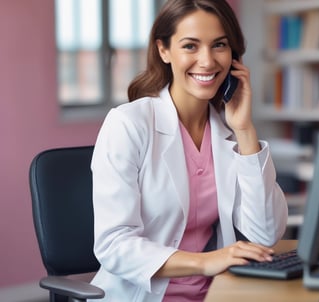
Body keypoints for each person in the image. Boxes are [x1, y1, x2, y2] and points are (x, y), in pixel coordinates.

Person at [90, 0, 288, 301]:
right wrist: (207, 262)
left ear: (233, 55)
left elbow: (266, 234)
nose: (207, 61)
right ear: (164, 50)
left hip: (218, 293)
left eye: (219, 45)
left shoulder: (228, 132)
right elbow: (114, 245)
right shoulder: (129, 124)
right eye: (190, 46)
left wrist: (245, 130)